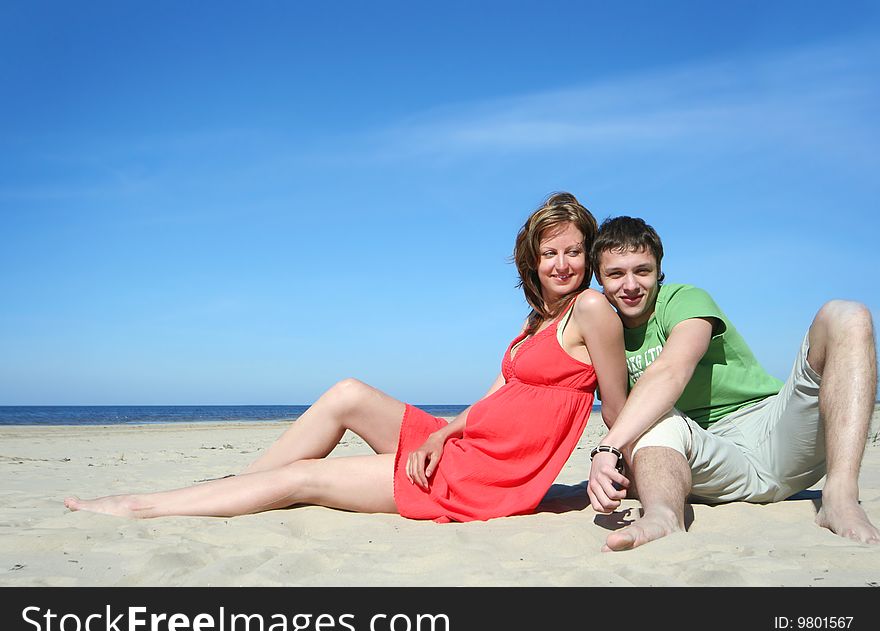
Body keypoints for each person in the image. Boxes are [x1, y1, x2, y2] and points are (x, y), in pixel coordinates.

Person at [64, 193, 628, 523]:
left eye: (574, 251)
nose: (561, 263)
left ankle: (146, 506)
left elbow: (618, 405)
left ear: (588, 253)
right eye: (549, 252)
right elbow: (496, 397)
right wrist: (439, 435)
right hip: (464, 445)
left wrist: (613, 461)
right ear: (532, 259)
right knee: (348, 393)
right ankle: (233, 487)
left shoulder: (592, 310)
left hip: (481, 478)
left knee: (305, 478)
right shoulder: (539, 321)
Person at [585, 215, 880, 550]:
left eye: (642, 270)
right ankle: (663, 515)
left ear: (658, 270)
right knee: (655, 419)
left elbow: (672, 369)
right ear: (599, 277)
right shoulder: (607, 334)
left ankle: (841, 497)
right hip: (710, 458)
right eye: (616, 274)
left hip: (775, 432)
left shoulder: (683, 299)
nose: (631, 285)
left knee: (847, 315)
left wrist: (606, 447)